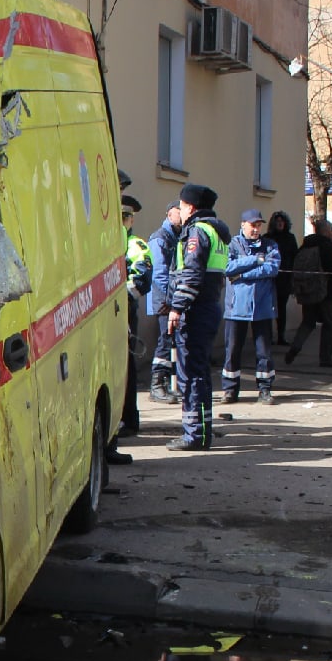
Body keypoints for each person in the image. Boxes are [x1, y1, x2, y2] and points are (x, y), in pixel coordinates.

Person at [165, 183, 230, 451]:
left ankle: (194, 435)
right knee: (200, 373)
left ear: (190, 207)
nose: (179, 211)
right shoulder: (217, 232)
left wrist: (177, 307)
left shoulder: (196, 233)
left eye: (180, 206)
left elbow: (191, 275)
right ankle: (201, 432)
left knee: (191, 375)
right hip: (209, 306)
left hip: (195, 310)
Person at [221, 209, 280, 404]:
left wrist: (243, 274)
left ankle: (265, 389)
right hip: (236, 308)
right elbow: (228, 268)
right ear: (243, 224)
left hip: (262, 307)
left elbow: (272, 268)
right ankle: (230, 390)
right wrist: (254, 260)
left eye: (258, 225)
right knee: (232, 350)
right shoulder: (232, 245)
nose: (256, 229)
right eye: (252, 225)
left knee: (264, 352)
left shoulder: (270, 245)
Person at [112, 194, 149, 461]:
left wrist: (122, 296)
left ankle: (129, 418)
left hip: (123, 310)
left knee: (126, 363)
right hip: (109, 310)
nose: (124, 221)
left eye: (126, 217)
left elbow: (142, 277)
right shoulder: (111, 239)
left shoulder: (135, 244)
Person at [285, 219, 332, 367]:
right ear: (325, 231)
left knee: (307, 322)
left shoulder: (306, 245)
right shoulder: (327, 247)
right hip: (326, 292)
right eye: (330, 229)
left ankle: (294, 349)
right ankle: (325, 358)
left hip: (308, 290)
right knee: (329, 324)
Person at [146, 200, 183, 404]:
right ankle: (157, 385)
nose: (182, 215)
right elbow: (159, 274)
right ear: (170, 214)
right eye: (179, 212)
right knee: (165, 340)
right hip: (164, 300)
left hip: (171, 298)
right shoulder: (160, 238)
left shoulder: (177, 236)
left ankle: (166, 384)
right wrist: (169, 302)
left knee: (171, 341)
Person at [266, 210, 299, 344]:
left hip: (285, 277)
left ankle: (281, 336)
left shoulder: (290, 238)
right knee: (268, 308)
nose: (280, 224)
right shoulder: (267, 238)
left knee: (281, 308)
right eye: (277, 222)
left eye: (282, 222)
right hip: (270, 278)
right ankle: (268, 336)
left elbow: (295, 256)